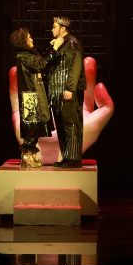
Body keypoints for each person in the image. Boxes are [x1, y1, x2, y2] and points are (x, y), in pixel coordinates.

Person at [9, 27, 50, 169]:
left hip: (31, 95)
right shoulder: (24, 56)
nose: (32, 39)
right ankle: (27, 154)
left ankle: (30, 153)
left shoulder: (26, 56)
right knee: (32, 127)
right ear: (23, 41)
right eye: (29, 37)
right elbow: (42, 64)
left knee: (35, 126)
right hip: (30, 96)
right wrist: (54, 49)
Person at [48, 16, 85, 168]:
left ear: (63, 28)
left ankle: (73, 158)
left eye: (54, 26)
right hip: (57, 92)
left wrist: (70, 88)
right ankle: (66, 157)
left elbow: (75, 66)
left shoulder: (72, 43)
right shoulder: (59, 43)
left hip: (67, 91)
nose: (52, 29)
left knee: (71, 124)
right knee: (61, 125)